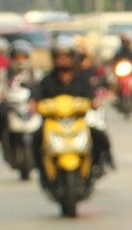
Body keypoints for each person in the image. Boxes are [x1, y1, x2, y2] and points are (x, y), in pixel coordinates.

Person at [31, 34, 114, 174]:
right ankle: (40, 168)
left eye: (66, 56)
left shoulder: (81, 78)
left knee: (99, 135)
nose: (63, 60)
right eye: (59, 56)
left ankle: (103, 162)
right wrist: (32, 103)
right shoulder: (48, 79)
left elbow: (92, 94)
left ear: (73, 57)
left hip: (78, 121)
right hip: (54, 122)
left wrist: (95, 102)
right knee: (35, 137)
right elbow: (36, 94)